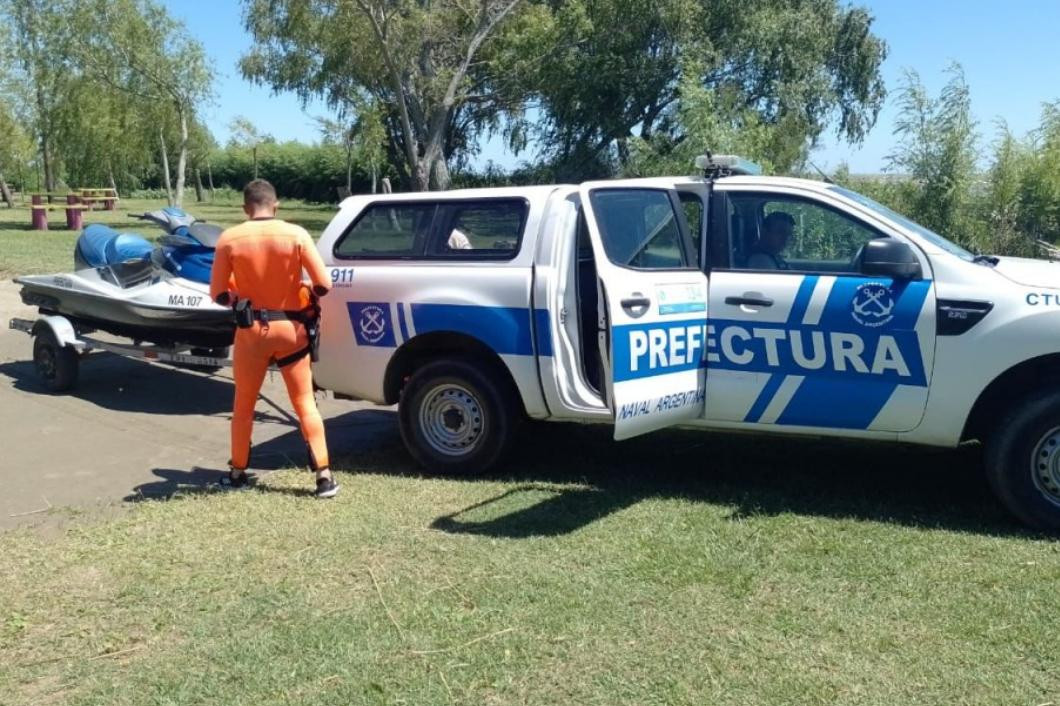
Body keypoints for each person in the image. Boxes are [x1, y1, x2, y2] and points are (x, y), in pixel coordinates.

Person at [209, 180, 339, 498]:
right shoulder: (296, 235)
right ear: (276, 204)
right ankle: (324, 477)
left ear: (245, 208)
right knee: (304, 403)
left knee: (243, 405)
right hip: (291, 331)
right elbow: (323, 285)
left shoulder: (230, 238)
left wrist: (240, 296)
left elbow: (219, 294)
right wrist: (303, 291)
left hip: (251, 333)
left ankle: (238, 472)